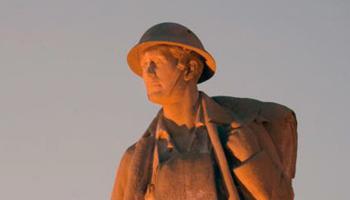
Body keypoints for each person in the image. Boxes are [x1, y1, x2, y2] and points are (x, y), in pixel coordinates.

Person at [111, 22, 297, 200]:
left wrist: (249, 158)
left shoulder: (239, 132)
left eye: (156, 62)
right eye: (144, 65)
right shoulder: (134, 159)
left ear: (191, 69)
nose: (148, 73)